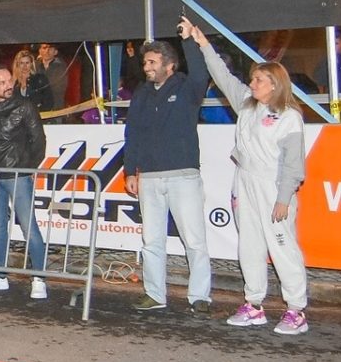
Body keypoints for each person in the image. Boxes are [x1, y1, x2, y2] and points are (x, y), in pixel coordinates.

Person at [186, 19, 309, 335]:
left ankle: (296, 310)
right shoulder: (246, 104)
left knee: (282, 247)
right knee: (250, 246)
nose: (252, 83)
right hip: (245, 182)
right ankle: (254, 304)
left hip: (273, 187)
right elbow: (222, 75)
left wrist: (283, 199)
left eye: (258, 80)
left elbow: (293, 165)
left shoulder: (289, 117)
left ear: (274, 85)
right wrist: (202, 42)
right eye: (253, 78)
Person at [122, 33, 212, 313]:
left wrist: (188, 41)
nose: (146, 67)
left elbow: (201, 72)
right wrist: (130, 171)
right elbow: (133, 133)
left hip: (183, 176)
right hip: (149, 177)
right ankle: (154, 293)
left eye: (152, 62)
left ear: (169, 65)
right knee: (151, 240)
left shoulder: (187, 88)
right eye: (145, 62)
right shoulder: (142, 93)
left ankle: (200, 296)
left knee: (194, 240)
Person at [0, 64, 48, 300]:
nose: (8, 85)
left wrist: (28, 167)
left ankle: (39, 279)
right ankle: (0, 275)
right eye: (2, 82)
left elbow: (39, 140)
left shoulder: (24, 106)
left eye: (9, 81)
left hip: (18, 174)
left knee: (28, 226)